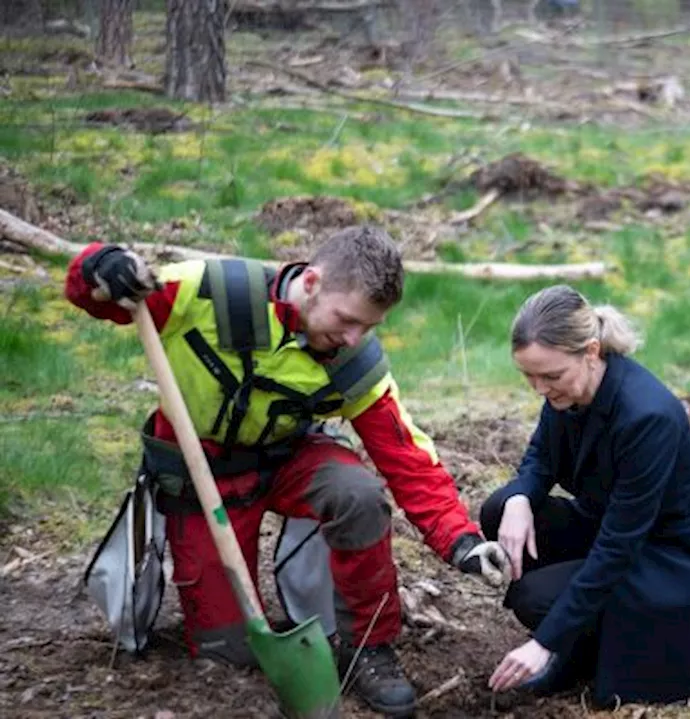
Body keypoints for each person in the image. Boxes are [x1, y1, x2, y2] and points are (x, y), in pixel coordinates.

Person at [66, 226, 510, 719]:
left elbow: (406, 457)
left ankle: (367, 647)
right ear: (312, 281)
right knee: (226, 651)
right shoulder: (207, 292)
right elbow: (101, 299)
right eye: (346, 320)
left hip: (289, 460)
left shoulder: (352, 360)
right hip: (203, 474)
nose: (353, 337)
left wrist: (461, 540)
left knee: (358, 495)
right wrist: (98, 267)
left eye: (369, 326)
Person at [480, 285, 690, 707]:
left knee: (536, 598)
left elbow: (619, 546)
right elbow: (541, 456)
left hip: (672, 557)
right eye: (529, 376)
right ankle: (578, 632)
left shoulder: (646, 416)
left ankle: (575, 650)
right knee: (500, 507)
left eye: (550, 376)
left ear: (592, 351)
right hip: (610, 523)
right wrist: (519, 499)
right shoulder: (568, 389)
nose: (539, 388)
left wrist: (544, 642)